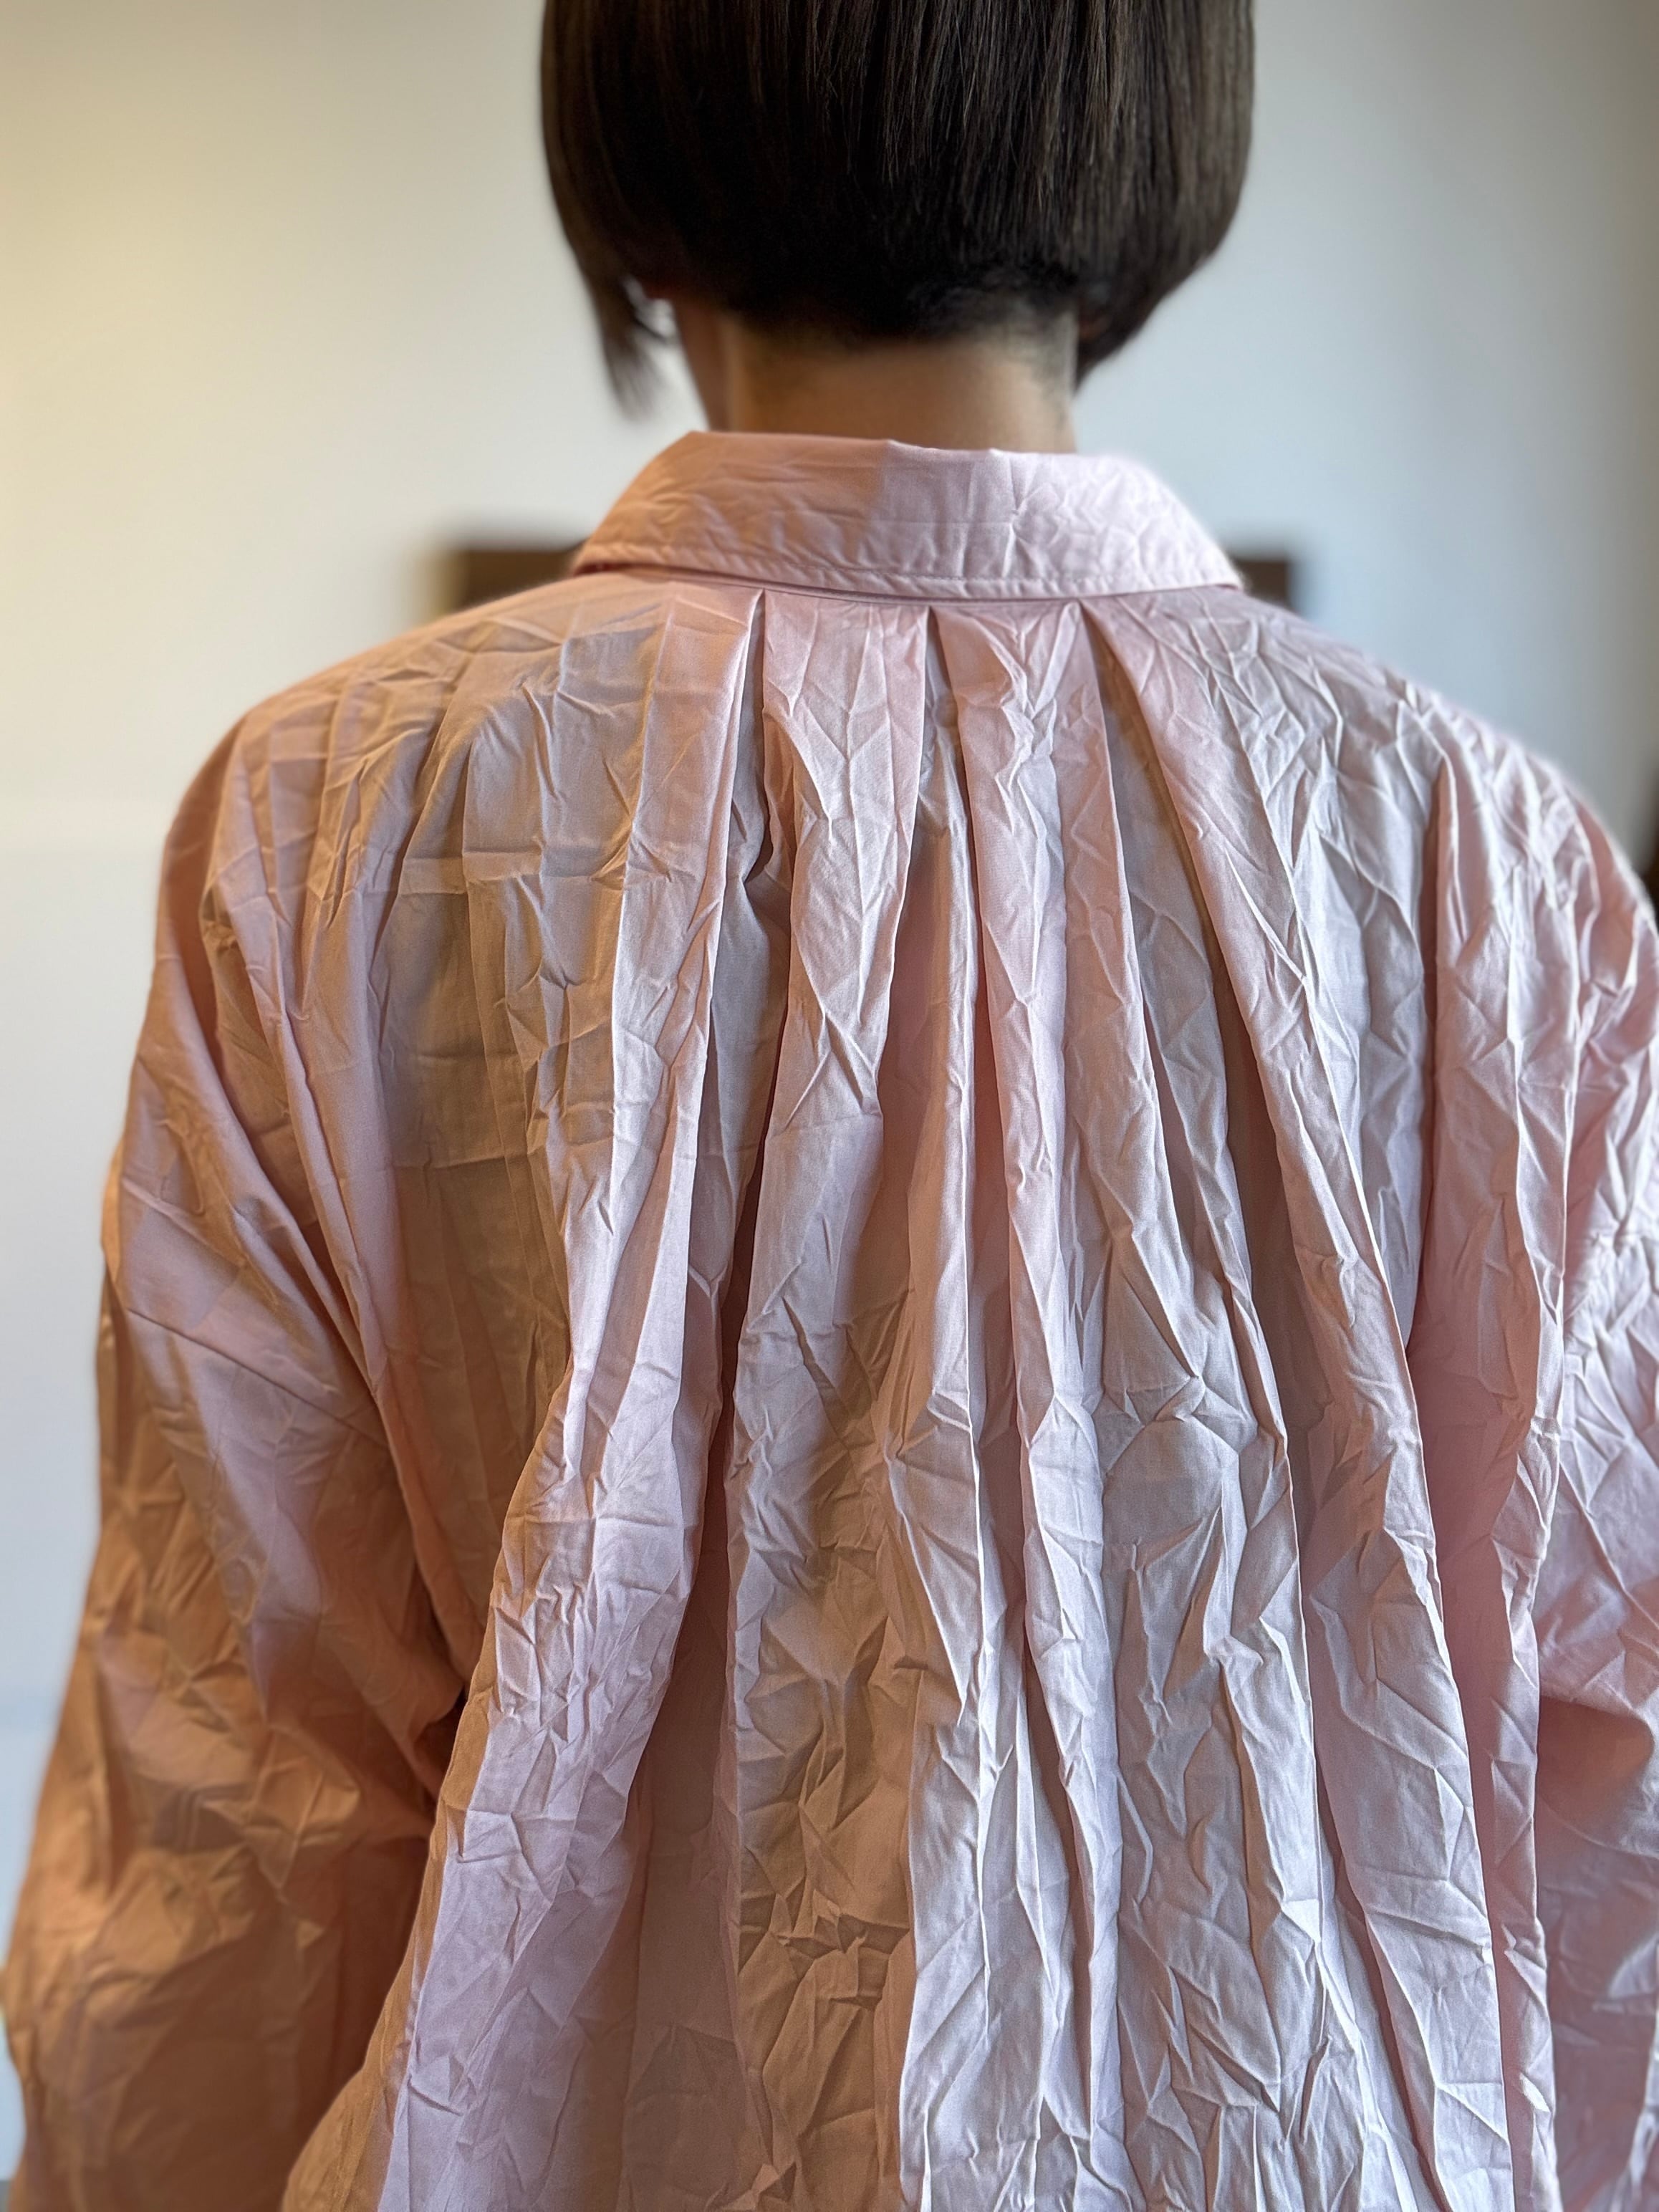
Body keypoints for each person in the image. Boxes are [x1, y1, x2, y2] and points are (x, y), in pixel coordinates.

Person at [6, 0, 1657, 2206]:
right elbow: (1606, 1758)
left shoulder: (341, 818)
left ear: (630, 136)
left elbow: (238, 1778)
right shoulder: (1484, 854)